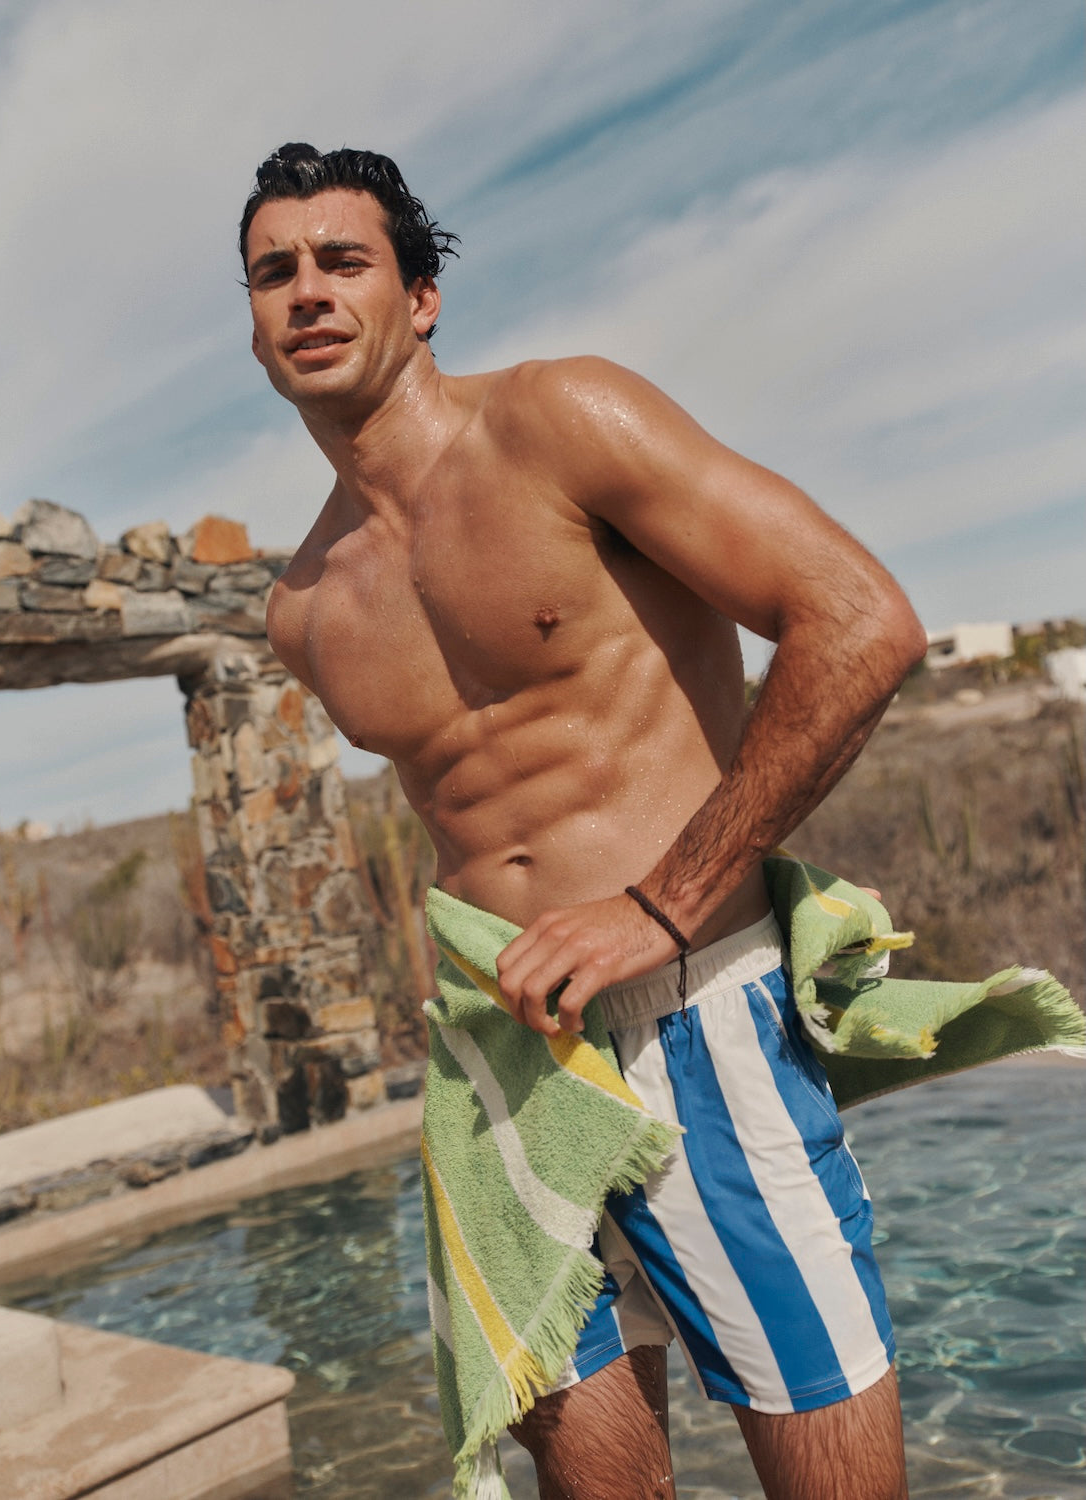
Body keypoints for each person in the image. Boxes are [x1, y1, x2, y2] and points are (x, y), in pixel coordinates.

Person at [247, 142, 925, 1500]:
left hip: (694, 1009)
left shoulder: (561, 420)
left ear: (420, 296)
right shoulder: (306, 606)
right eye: (274, 273)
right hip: (504, 1063)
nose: (306, 294)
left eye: (343, 261)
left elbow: (858, 621)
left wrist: (663, 900)